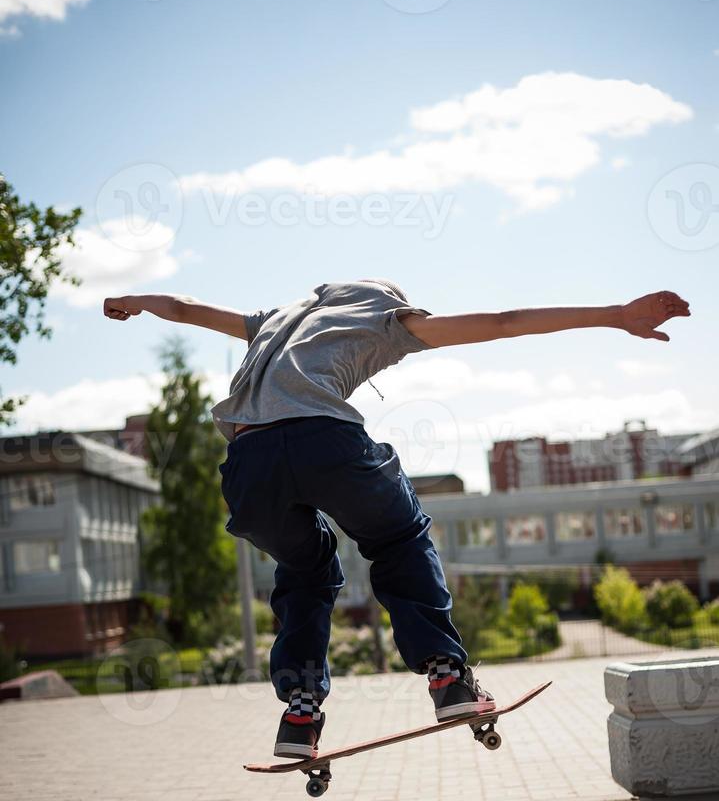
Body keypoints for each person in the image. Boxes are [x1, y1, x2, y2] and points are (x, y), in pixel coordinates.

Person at [104, 280, 690, 758]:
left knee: (306, 571)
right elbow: (505, 319)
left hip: (248, 465)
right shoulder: (390, 320)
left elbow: (182, 307)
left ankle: (300, 711)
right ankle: (446, 674)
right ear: (389, 304)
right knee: (400, 537)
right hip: (326, 441)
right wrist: (616, 313)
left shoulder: (274, 320)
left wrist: (136, 301)